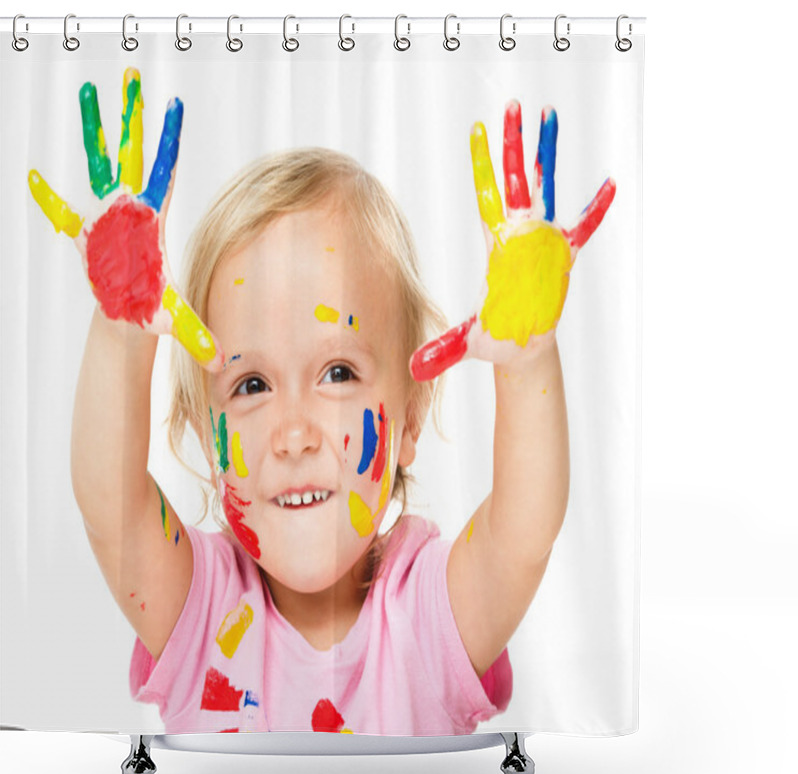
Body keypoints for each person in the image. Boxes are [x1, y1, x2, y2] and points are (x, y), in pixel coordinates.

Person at [29, 69, 614, 735]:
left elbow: (524, 532)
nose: (295, 433)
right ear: (203, 431)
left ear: (412, 417)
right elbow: (110, 505)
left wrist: (527, 358)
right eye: (251, 386)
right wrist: (119, 326)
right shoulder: (198, 608)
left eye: (337, 373)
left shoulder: (430, 613)